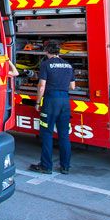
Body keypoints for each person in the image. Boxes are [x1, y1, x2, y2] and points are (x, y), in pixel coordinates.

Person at [29, 41, 75, 174]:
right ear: (59, 52)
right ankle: (65, 167)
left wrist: (38, 102)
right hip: (65, 101)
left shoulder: (46, 64)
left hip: (51, 101)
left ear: (47, 51)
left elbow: (41, 86)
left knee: (47, 134)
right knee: (64, 135)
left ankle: (46, 166)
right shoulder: (68, 65)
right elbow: (72, 86)